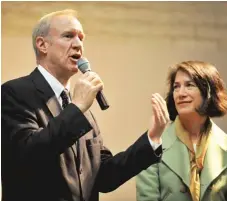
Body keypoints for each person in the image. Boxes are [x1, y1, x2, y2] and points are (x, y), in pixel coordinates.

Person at [1, 9, 170, 201]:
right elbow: (29, 155)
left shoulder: (79, 110)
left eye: (81, 38)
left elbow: (104, 176)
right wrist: (78, 106)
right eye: (68, 36)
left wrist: (152, 139)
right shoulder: (14, 93)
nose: (78, 44)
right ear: (42, 44)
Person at [136, 60, 227, 201]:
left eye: (189, 85)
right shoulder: (152, 145)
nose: (180, 93)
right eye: (176, 87)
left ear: (209, 91)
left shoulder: (224, 145)